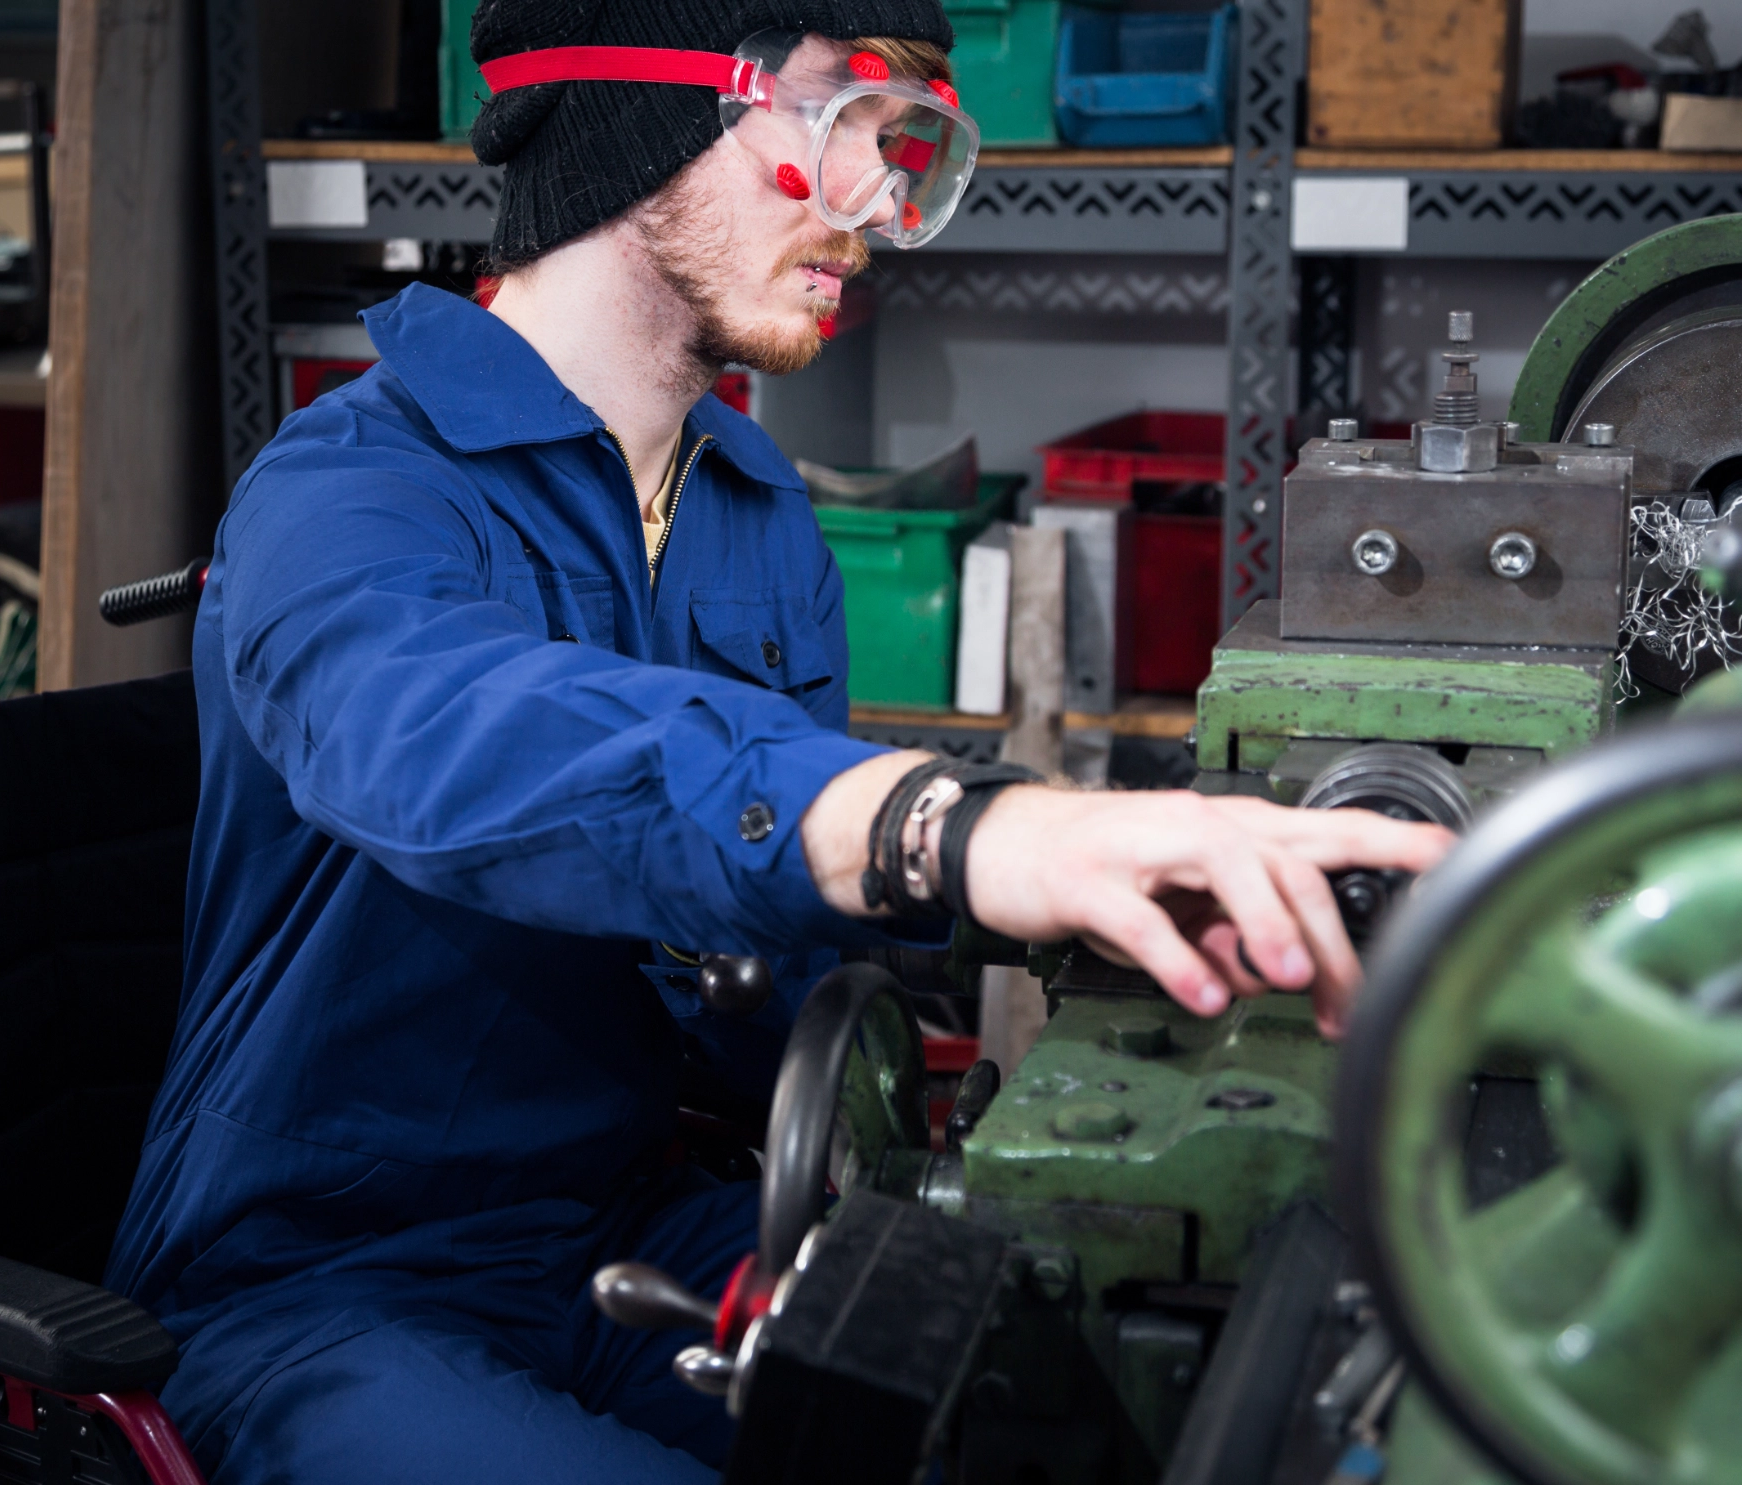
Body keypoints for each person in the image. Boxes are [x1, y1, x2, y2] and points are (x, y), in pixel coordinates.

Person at [104, 4, 1454, 1481]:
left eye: (906, 152)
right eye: (844, 127)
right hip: (327, 1287)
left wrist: (1085, 908)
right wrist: (946, 828)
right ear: (642, 120)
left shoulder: (752, 505)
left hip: (627, 1225)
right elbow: (446, 736)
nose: (875, 208)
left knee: (1048, 1416)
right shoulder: (348, 487)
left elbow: (781, 950)